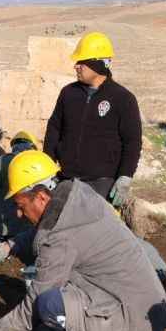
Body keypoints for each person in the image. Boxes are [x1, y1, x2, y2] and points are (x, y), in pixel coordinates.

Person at [0, 151, 166, 331]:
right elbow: (50, 229)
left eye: (21, 206)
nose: (19, 214)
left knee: (47, 304)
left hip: (134, 323)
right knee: (49, 312)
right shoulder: (76, 198)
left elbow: (36, 299)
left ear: (41, 198)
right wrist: (10, 245)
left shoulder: (60, 240)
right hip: (142, 303)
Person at [43, 31, 142, 209]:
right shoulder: (68, 93)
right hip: (66, 178)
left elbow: (132, 141)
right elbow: (54, 128)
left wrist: (125, 176)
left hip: (101, 183)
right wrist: (48, 165)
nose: (76, 66)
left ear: (97, 64)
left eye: (82, 62)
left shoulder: (123, 98)